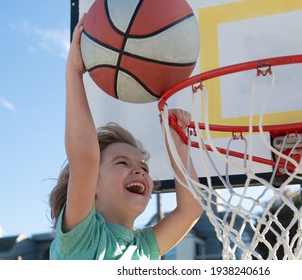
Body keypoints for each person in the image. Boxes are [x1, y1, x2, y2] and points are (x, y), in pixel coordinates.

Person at [48, 14, 203, 260]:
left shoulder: (142, 249)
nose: (140, 171)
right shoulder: (82, 239)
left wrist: (177, 143)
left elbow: (191, 209)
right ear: (91, 185)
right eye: (122, 162)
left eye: (143, 167)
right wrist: (74, 72)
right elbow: (85, 160)